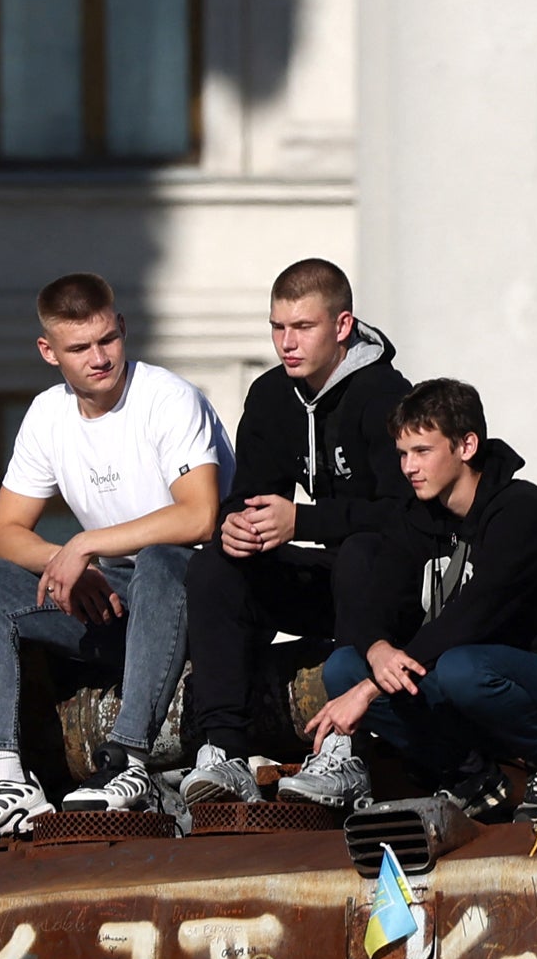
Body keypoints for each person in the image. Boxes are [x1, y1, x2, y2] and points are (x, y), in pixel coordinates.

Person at [0, 273, 228, 852]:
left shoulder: (168, 398)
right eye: (80, 348)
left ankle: (130, 757)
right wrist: (67, 561)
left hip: (191, 595)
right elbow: (3, 533)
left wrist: (88, 544)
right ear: (48, 352)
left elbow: (199, 518)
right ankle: (3, 779)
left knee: (166, 558)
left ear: (122, 328)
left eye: (107, 340)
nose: (99, 358)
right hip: (111, 599)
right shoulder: (47, 416)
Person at [275, 377, 537, 831]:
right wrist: (377, 650)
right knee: (345, 666)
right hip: (461, 685)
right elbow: (375, 601)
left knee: (460, 669)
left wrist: (369, 690)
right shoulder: (417, 517)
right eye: (402, 454)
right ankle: (471, 778)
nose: (408, 467)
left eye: (422, 451)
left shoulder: (519, 510)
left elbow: (475, 615)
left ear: (466, 445)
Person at [171, 259, 414, 807]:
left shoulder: (388, 398)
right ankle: (224, 752)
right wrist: (237, 524)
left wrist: (300, 521)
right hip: (327, 584)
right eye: (278, 328)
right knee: (214, 562)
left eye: (302, 328)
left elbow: (405, 518)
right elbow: (252, 496)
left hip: (394, 590)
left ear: (342, 326)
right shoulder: (270, 397)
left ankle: (342, 751)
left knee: (361, 552)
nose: (287, 343)